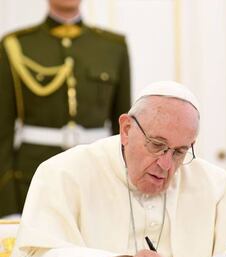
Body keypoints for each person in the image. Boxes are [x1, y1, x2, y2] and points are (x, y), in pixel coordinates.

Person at [8, 81, 226, 257]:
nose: (167, 165)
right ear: (126, 130)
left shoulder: (211, 182)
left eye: (180, 151)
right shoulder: (63, 172)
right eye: (157, 146)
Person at [0, 0, 131, 217]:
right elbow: (2, 132)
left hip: (98, 178)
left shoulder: (113, 47)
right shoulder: (16, 45)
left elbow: (124, 129)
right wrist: (7, 204)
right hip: (32, 180)